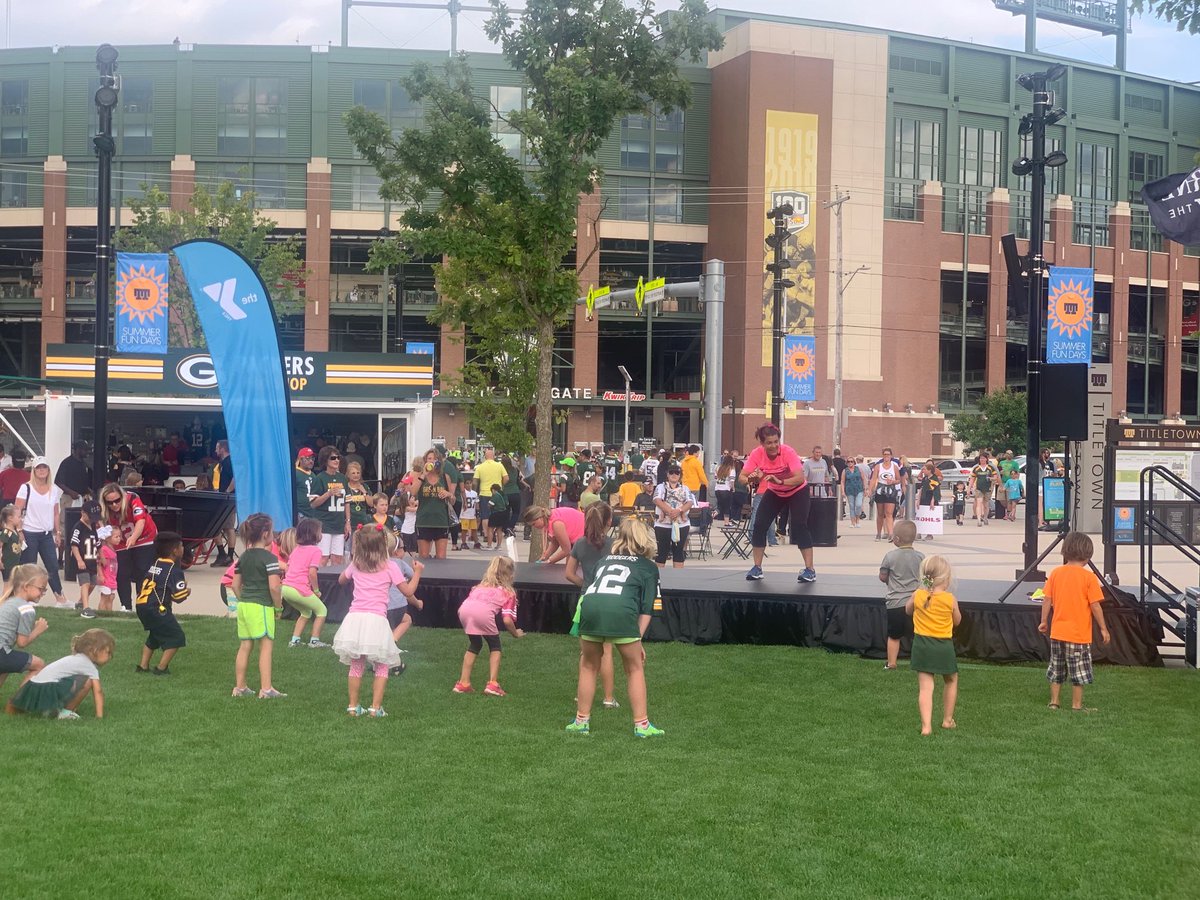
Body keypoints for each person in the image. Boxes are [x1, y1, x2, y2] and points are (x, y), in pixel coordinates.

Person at [567, 517, 664, 738]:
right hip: (621, 613)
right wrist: (637, 639)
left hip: (589, 611)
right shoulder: (648, 567)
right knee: (634, 668)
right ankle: (642, 725)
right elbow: (648, 608)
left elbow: (591, 588)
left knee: (588, 666)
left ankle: (581, 721)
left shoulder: (604, 561)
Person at [333, 524, 422, 718]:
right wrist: (418, 573)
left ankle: (353, 706)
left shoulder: (356, 564)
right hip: (376, 620)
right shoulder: (390, 566)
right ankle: (375, 707)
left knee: (356, 664)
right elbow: (408, 592)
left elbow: (341, 580)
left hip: (355, 619)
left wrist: (352, 567)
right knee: (382, 664)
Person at [1039, 532, 1111, 712]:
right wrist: (1103, 628)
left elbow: (1047, 599)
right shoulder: (1089, 578)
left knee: (1057, 668)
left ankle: (1054, 702)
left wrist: (1043, 621)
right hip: (1078, 635)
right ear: (1087, 556)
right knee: (1078, 671)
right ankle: (1076, 705)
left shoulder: (1056, 573)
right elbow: (1095, 606)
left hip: (1057, 632)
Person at [739, 423, 817, 583]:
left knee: (799, 525)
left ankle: (810, 570)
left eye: (776, 441)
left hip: (797, 491)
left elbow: (799, 478)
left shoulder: (788, 452)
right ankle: (757, 568)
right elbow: (742, 477)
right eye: (769, 443)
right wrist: (753, 478)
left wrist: (779, 480)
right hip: (775, 492)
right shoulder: (757, 454)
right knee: (759, 525)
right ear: (762, 444)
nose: (774, 446)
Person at [565, 502, 619, 711]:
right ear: (608, 521)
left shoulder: (579, 544)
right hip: (609, 600)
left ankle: (583, 695)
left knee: (586, 653)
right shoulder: (615, 544)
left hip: (587, 600)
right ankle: (608, 697)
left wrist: (586, 585)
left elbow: (569, 574)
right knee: (606, 650)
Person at [230, 513, 286, 699]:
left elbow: (235, 585)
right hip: (261, 605)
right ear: (265, 533)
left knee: (245, 646)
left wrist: (243, 599)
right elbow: (275, 587)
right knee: (266, 646)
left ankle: (240, 687)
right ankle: (266, 689)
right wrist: (278, 607)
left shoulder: (243, 557)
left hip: (244, 605)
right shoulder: (269, 558)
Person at [905, 555, 961, 735]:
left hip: (922, 645)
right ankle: (947, 719)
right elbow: (958, 621)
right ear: (946, 578)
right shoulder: (949, 599)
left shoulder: (918, 594)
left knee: (925, 687)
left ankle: (926, 726)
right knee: (951, 680)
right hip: (943, 646)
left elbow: (907, 610)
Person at [452, 556, 524, 696]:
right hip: (482, 614)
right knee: (495, 646)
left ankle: (463, 683)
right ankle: (492, 684)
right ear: (510, 575)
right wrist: (516, 634)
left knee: (475, 644)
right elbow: (508, 621)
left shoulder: (479, 587)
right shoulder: (508, 593)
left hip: (464, 611)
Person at [6, 627, 114, 720]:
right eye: (108, 652)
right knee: (88, 681)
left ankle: (50, 709)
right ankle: (66, 712)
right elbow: (98, 691)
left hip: (33, 687)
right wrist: (99, 717)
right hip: (46, 689)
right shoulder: (88, 666)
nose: (110, 657)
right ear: (94, 650)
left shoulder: (76, 658)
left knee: (76, 679)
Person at [134, 531, 190, 677]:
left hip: (142, 605)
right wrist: (187, 590)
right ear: (175, 550)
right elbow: (179, 597)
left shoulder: (154, 564)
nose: (183, 549)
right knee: (177, 637)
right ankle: (161, 668)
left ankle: (143, 665)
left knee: (156, 633)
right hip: (156, 608)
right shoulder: (174, 570)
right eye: (181, 546)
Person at [15, 456, 67, 607]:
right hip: (29, 532)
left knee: (52, 566)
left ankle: (60, 597)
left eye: (44, 467)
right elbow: (17, 509)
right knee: (29, 567)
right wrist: (19, 530)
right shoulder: (26, 488)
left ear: (48, 470)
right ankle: (27, 598)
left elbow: (56, 513)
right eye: (38, 467)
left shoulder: (54, 490)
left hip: (46, 534)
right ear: (34, 470)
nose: (42, 470)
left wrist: (58, 532)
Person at [101, 482, 159, 613]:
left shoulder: (132, 499)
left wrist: (133, 538)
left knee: (142, 571)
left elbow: (141, 521)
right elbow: (102, 530)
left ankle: (142, 604)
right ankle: (126, 606)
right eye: (110, 502)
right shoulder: (104, 510)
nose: (114, 505)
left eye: (117, 501)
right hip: (120, 541)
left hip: (144, 537)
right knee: (122, 573)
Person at [879, 521, 923, 670]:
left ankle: (891, 663)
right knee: (919, 634)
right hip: (916, 602)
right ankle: (919, 662)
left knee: (894, 635)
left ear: (896, 539)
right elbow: (925, 577)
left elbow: (883, 576)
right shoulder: (920, 556)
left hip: (895, 602)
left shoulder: (890, 556)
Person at [279, 518, 329, 649]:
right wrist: (316, 590)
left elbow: (289, 568)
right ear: (314, 534)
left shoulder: (296, 549)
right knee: (322, 610)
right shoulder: (315, 551)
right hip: (299, 589)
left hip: (286, 588)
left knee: (306, 612)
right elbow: (312, 573)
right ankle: (314, 640)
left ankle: (294, 640)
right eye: (320, 531)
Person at [0, 563, 49, 689]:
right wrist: (38, 629)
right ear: (26, 586)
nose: (43, 593)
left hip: (3, 651)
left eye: (45, 590)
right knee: (39, 664)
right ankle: (14, 703)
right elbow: (22, 642)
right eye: (41, 588)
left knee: (8, 664)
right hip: (1, 652)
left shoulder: (8, 602)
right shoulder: (26, 608)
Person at [310, 446, 347, 565]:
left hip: (339, 524)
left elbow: (347, 501)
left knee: (338, 558)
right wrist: (329, 493)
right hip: (324, 524)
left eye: (338, 457)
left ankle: (335, 584)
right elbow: (313, 504)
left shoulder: (343, 478)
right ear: (325, 460)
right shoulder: (319, 478)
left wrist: (348, 522)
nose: (337, 460)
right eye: (333, 458)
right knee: (323, 558)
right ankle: (321, 582)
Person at [651, 464, 694, 569]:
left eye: (677, 473)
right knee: (662, 552)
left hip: (681, 524)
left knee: (679, 552)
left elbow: (689, 502)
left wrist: (679, 511)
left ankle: (678, 579)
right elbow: (657, 500)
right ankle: (659, 577)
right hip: (663, 524)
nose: (674, 475)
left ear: (680, 475)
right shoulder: (661, 487)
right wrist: (670, 511)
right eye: (671, 472)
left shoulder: (685, 488)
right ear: (667, 474)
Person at [67, 499, 102, 618]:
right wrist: (79, 560)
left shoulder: (93, 527)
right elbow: (74, 545)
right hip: (82, 561)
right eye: (91, 516)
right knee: (85, 583)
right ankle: (86, 608)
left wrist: (100, 556)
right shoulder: (78, 527)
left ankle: (80, 602)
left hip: (91, 560)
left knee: (92, 583)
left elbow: (97, 543)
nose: (93, 519)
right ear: (83, 513)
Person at [415, 461, 453, 559]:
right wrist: (423, 474)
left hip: (441, 521)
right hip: (424, 521)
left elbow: (453, 500)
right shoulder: (420, 476)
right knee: (423, 556)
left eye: (433, 459)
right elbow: (413, 491)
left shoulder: (445, 477)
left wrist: (448, 494)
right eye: (428, 459)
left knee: (441, 556)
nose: (431, 461)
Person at [209, 440, 237, 566]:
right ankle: (223, 554)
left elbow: (235, 478)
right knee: (219, 526)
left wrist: (227, 491)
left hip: (227, 499)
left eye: (217, 448)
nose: (215, 451)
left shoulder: (230, 461)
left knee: (227, 527)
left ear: (223, 449)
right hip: (224, 498)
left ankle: (228, 555)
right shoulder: (223, 463)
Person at [868, 448, 904, 542]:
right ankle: (879, 533)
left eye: (888, 455)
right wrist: (870, 490)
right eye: (884, 454)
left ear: (891, 456)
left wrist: (893, 481)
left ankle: (890, 533)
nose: (886, 456)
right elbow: (873, 479)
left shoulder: (894, 467)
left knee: (889, 513)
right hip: (881, 489)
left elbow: (899, 479)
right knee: (880, 513)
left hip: (891, 490)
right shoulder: (878, 466)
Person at [473, 446, 508, 539]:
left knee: (485, 516)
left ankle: (486, 534)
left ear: (485, 457)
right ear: (494, 456)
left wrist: (475, 492)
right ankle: (494, 533)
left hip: (484, 493)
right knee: (496, 514)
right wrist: (501, 486)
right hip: (497, 494)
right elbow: (506, 478)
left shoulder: (480, 467)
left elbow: (475, 481)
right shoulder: (499, 465)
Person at [54, 440, 92, 508]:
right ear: (78, 449)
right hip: (69, 498)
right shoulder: (66, 463)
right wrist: (71, 492)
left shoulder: (84, 464)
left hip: (82, 498)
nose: (87, 452)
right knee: (68, 518)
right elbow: (58, 481)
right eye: (85, 450)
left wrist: (88, 490)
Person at [343, 460, 373, 546]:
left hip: (363, 522)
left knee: (362, 548)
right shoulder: (345, 487)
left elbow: (371, 503)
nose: (356, 475)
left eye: (358, 473)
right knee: (348, 548)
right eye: (353, 473)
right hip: (350, 522)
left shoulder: (365, 487)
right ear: (348, 474)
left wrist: (364, 492)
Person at [968, 452, 997, 527]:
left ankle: (985, 517)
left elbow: (995, 477)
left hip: (988, 488)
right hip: (979, 488)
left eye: (984, 458)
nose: (982, 460)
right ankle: (978, 519)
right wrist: (969, 489)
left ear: (986, 459)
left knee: (986, 504)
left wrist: (990, 478)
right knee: (979, 502)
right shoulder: (976, 468)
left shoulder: (990, 468)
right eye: (981, 458)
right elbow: (972, 479)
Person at [95, 525, 120, 614]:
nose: (119, 539)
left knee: (111, 597)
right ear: (108, 538)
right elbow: (99, 563)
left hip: (112, 578)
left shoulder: (112, 549)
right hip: (105, 578)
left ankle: (109, 614)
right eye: (116, 537)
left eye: (119, 536)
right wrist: (101, 575)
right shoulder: (104, 549)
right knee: (104, 597)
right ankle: (101, 613)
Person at [915, 462, 941, 542]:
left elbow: (935, 490)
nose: (923, 471)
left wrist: (932, 501)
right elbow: (921, 489)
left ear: (929, 470)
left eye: (924, 469)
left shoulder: (934, 478)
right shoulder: (925, 478)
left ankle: (929, 534)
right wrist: (918, 500)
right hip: (924, 497)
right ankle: (919, 532)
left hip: (930, 497)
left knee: (929, 516)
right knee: (922, 515)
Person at [294, 446, 318, 524]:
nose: (311, 461)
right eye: (307, 458)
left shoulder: (314, 476)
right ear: (300, 459)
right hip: (299, 513)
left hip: (311, 513)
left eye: (312, 458)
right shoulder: (295, 473)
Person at [713, 453, 739, 521]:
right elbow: (731, 481)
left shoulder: (718, 467)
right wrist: (733, 488)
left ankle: (713, 514)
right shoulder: (731, 469)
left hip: (717, 489)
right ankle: (726, 522)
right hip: (726, 489)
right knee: (727, 506)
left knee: (720, 505)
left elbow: (715, 478)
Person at [841, 459, 865, 528]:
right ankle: (852, 522)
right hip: (849, 490)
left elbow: (863, 478)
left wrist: (865, 488)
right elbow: (842, 481)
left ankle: (857, 519)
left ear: (854, 462)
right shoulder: (845, 471)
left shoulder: (859, 469)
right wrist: (843, 491)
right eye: (848, 461)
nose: (850, 463)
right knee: (851, 506)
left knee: (858, 505)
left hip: (859, 489)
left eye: (851, 461)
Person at [0, 504, 21, 582]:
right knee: (8, 586)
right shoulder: (7, 532)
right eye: (19, 517)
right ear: (10, 518)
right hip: (7, 565)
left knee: (13, 586)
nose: (20, 519)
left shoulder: (14, 531)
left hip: (15, 564)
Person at [486, 485, 509, 550]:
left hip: (495, 513)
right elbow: (507, 503)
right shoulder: (503, 495)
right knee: (499, 529)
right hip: (503, 513)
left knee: (490, 529)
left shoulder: (495, 495)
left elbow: (490, 504)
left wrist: (488, 504)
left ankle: (489, 545)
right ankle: (499, 546)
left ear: (493, 489)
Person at [459, 481, 480, 550]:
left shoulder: (474, 493)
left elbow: (476, 503)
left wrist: (477, 512)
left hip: (472, 514)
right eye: (467, 483)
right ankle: (463, 543)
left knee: (474, 529)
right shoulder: (463, 492)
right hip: (465, 514)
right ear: (464, 484)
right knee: (464, 530)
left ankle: (476, 543)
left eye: (470, 483)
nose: (469, 485)